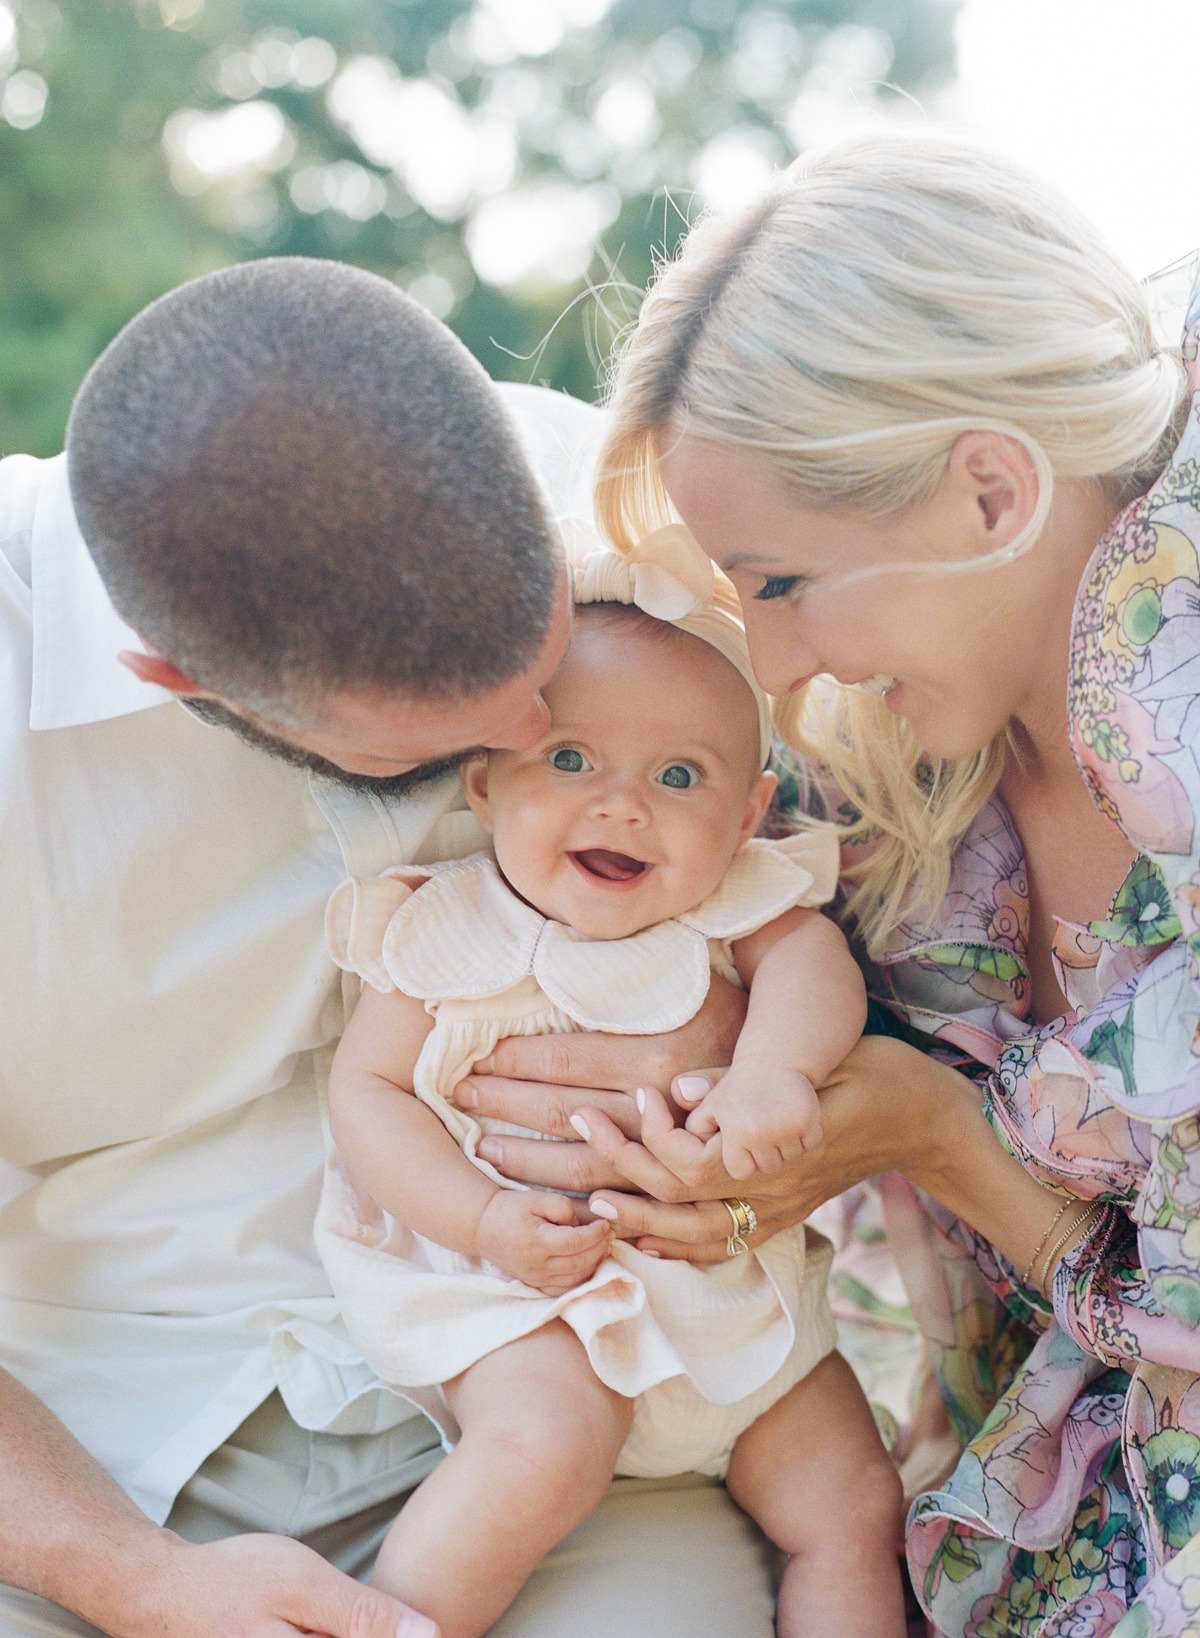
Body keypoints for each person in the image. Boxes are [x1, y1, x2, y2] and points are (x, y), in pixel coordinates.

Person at [439, 133, 1200, 1636]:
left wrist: (932, 1134)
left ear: (990, 492)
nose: (776, 673)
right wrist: (696, 1069)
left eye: (784, 583)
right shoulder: (868, 802)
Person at [0, 256, 784, 1638]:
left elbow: (848, 901)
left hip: (587, 1388)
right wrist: (135, 1579)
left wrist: (764, 1076)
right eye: (443, 747)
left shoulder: (618, 505)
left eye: (545, 684)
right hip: (94, 1454)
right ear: (182, 679)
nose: (525, 744)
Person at [317, 525, 903, 1638]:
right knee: (540, 1452)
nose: (624, 805)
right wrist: (482, 1219)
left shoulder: (740, 908)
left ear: (746, 816)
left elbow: (813, 963)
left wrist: (774, 1069)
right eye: (572, 761)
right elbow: (368, 1099)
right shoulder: (440, 928)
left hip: (736, 1312)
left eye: (679, 777)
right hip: (535, 1301)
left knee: (854, 1502)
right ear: (485, 783)